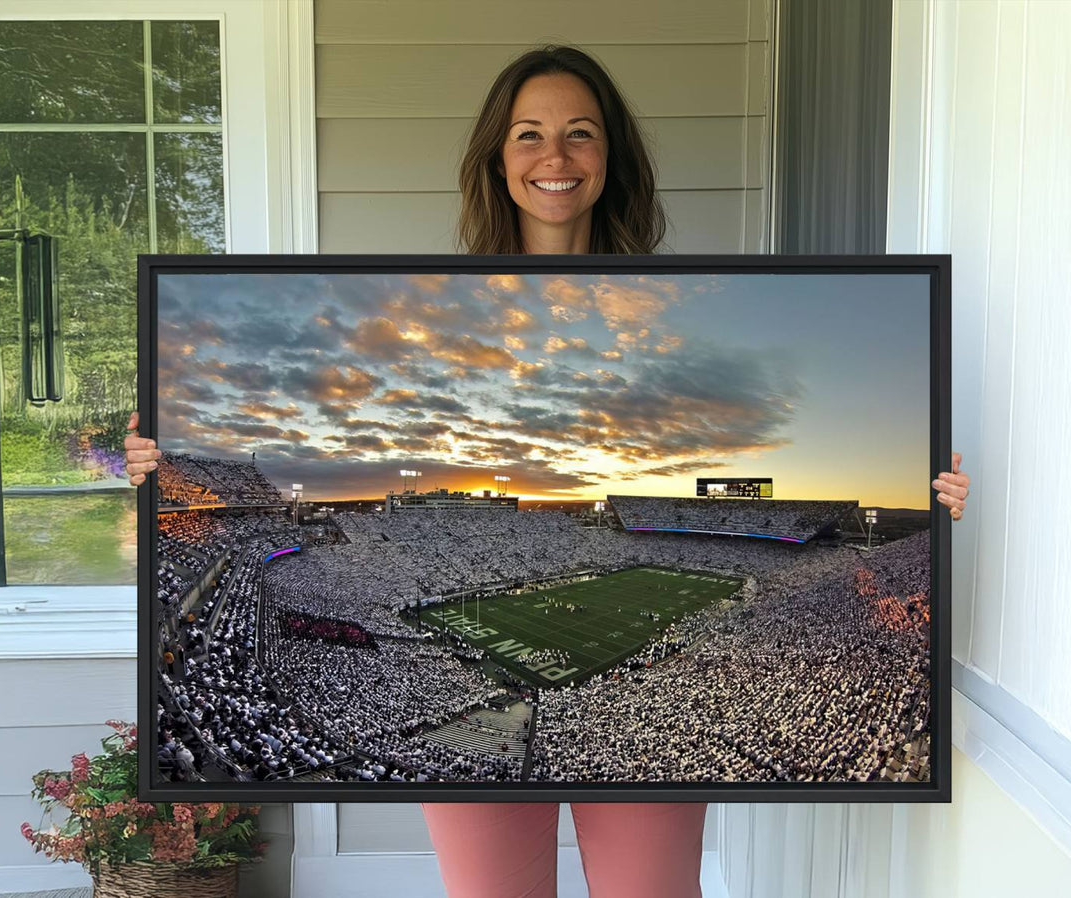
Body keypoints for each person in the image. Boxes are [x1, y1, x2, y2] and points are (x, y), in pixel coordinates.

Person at [125, 44, 970, 898]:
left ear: (611, 158)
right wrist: (159, 469)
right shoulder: (439, 293)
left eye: (580, 134)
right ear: (498, 156)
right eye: (529, 134)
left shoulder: (671, 299)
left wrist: (935, 507)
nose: (554, 157)